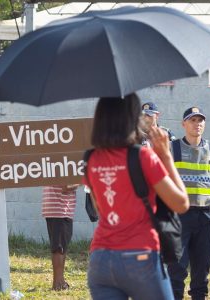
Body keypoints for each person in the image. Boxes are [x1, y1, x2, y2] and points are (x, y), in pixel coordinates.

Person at [84, 94, 189, 300]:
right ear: (131, 118)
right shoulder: (142, 156)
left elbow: (100, 208)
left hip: (100, 260)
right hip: (140, 256)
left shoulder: (90, 158)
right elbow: (181, 203)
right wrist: (166, 156)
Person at [168, 107, 210, 300]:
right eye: (193, 120)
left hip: (205, 219)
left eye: (200, 120)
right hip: (179, 219)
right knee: (177, 268)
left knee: (201, 269)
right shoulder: (173, 148)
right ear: (184, 124)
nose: (197, 124)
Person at [42, 184, 79, 291]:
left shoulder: (51, 166)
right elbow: (66, 186)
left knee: (61, 247)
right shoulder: (62, 167)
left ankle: (60, 280)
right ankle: (57, 283)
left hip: (53, 207)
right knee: (59, 249)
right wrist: (82, 180)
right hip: (60, 209)